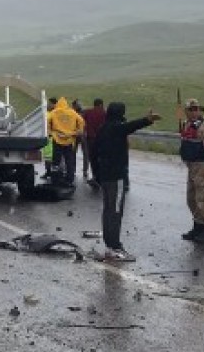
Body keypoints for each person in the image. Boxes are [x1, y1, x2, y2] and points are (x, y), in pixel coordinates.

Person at [93, 102, 161, 261]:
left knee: (108, 210)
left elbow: (94, 151)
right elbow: (131, 126)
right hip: (116, 177)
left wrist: (96, 174)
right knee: (116, 212)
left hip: (105, 176)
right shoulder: (117, 128)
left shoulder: (103, 128)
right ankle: (115, 247)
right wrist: (148, 119)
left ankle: (109, 245)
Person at [178, 98, 204, 244]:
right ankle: (197, 227)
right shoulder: (188, 125)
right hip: (192, 166)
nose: (194, 111)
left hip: (203, 166)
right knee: (192, 199)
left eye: (196, 108)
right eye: (191, 109)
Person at [45, 97, 84, 187]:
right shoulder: (72, 112)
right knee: (69, 160)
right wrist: (78, 131)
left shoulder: (54, 112)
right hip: (69, 139)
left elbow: (47, 119)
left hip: (57, 139)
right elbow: (81, 120)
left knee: (56, 161)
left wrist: (49, 131)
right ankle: (70, 178)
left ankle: (55, 178)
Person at [80, 98, 106, 186]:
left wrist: (84, 131)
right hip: (102, 139)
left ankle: (95, 177)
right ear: (101, 105)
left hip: (91, 139)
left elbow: (81, 121)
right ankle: (102, 177)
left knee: (93, 159)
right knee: (101, 158)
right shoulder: (104, 113)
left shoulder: (88, 112)